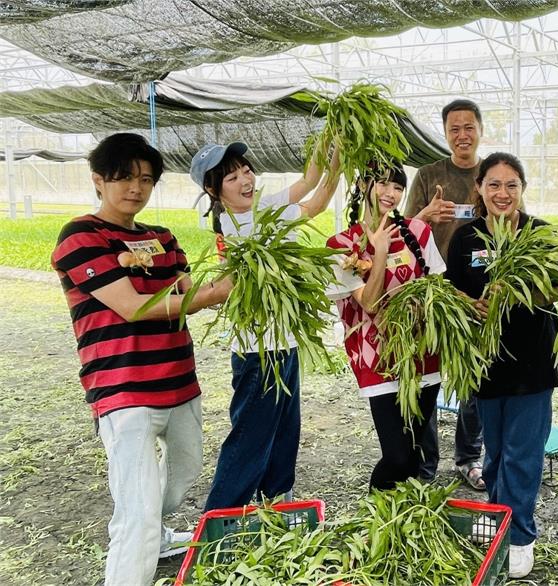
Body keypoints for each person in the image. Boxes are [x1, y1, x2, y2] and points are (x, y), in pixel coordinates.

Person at [51, 133, 232, 585]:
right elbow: (132, 306)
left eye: (146, 179)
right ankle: (134, 558)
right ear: (98, 179)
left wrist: (245, 280)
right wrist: (211, 295)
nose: (136, 188)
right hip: (123, 389)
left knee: (182, 472)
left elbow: (191, 291)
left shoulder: (162, 238)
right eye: (125, 177)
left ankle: (155, 528)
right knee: (138, 513)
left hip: (178, 381)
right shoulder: (81, 236)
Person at [191, 139, 341, 511]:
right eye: (232, 177)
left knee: (286, 427)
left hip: (284, 341)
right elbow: (314, 201)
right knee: (251, 436)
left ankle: (278, 502)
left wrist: (333, 153)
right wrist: (333, 164)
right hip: (258, 350)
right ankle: (221, 516)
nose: (245, 180)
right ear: (213, 189)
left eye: (246, 170)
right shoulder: (235, 224)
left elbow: (309, 184)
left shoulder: (262, 208)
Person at [445, 153, 558, 578]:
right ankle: (497, 519)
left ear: (522, 189)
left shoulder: (540, 235)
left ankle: (522, 536)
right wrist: (471, 304)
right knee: (493, 455)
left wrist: (524, 292)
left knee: (522, 455)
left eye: (512, 185)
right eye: (494, 184)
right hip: (484, 362)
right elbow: (450, 289)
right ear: (479, 188)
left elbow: (556, 291)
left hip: (532, 363)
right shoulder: (465, 237)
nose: (503, 193)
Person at [326, 165, 447, 490]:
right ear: (364, 184)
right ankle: (376, 510)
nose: (390, 193)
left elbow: (437, 289)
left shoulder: (419, 231)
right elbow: (368, 302)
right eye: (382, 184)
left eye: (397, 186)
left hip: (423, 355)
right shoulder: (341, 244)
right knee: (396, 455)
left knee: (413, 452)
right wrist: (379, 251)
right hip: (377, 359)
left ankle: (397, 525)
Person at [404, 98, 486, 489]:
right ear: (446, 133)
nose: (462, 135)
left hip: (478, 289)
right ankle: (424, 465)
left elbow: (514, 216)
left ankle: (469, 457)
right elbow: (402, 228)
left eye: (468, 127)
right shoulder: (428, 175)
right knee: (427, 378)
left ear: (480, 130)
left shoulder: (492, 173)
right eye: (454, 128)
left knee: (473, 378)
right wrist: (425, 216)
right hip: (432, 290)